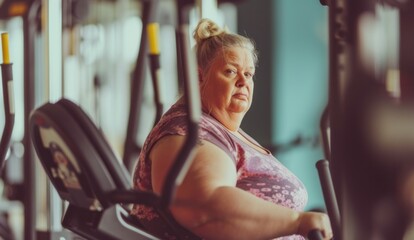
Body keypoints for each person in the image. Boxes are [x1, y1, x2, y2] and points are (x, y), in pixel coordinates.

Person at [131, 18, 333, 240]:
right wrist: (298, 222)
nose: (243, 81)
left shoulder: (219, 129)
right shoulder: (185, 132)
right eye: (230, 71)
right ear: (198, 77)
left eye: (248, 74)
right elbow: (206, 210)